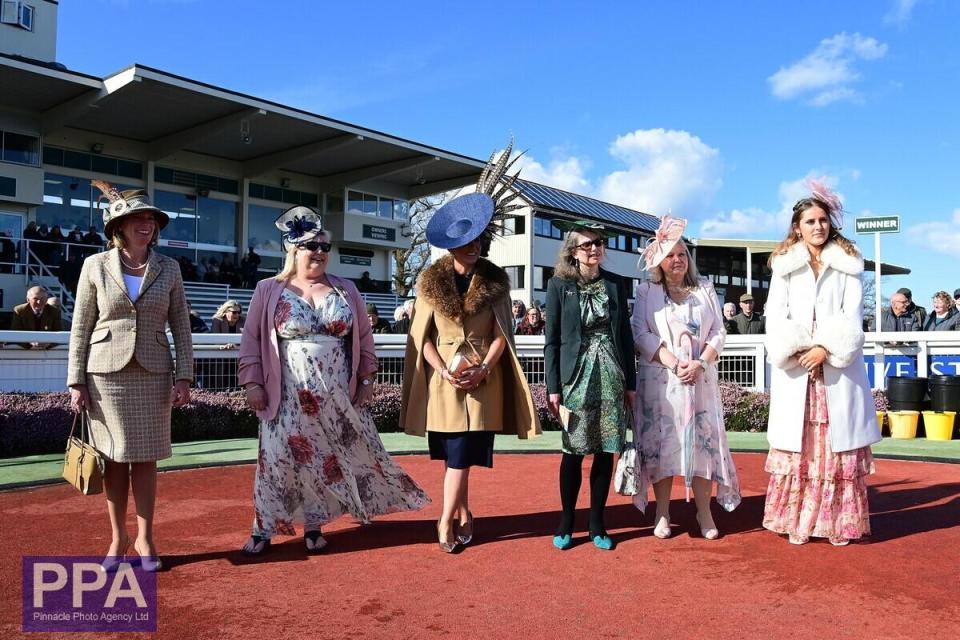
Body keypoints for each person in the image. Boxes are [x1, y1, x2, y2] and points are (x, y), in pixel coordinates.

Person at [238, 206, 428, 556]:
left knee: (323, 459)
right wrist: (252, 383)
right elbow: (251, 341)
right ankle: (263, 527)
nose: (321, 253)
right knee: (277, 457)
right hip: (287, 394)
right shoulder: (268, 290)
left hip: (335, 394)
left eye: (326, 247)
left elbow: (365, 339)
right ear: (293, 250)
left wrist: (367, 380)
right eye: (313, 246)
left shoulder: (346, 290)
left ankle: (313, 525)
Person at [402, 174, 541, 554]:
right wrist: (443, 369)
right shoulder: (429, 281)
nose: (474, 246)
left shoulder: (496, 280)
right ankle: (461, 512)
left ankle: (446, 518)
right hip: (443, 382)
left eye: (477, 239)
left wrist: (484, 368)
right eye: (466, 242)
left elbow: (503, 336)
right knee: (455, 454)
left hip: (484, 381)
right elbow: (422, 338)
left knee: (464, 453)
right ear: (452, 246)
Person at [67, 180, 193, 572]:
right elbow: (81, 325)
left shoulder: (169, 267)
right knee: (113, 459)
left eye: (151, 219)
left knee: (147, 459)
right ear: (117, 226)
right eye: (137, 218)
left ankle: (145, 538)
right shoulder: (94, 265)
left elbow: (182, 326)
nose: (146, 225)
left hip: (155, 373)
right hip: (105, 374)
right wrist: (76, 380)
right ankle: (117, 539)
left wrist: (185, 375)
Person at [762, 179, 879, 546]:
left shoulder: (848, 265)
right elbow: (774, 316)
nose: (818, 226)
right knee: (802, 447)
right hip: (797, 370)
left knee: (834, 446)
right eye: (810, 221)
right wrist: (798, 350)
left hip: (836, 369)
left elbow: (852, 315)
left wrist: (825, 349)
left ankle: (837, 523)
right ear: (797, 226)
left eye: (823, 220)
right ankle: (797, 520)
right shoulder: (784, 267)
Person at [632, 215, 740, 541]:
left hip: (701, 382)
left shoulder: (705, 289)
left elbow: (719, 331)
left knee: (704, 445)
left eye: (681, 254)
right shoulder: (646, 291)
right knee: (663, 446)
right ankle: (662, 511)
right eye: (669, 255)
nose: (677, 260)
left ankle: (704, 511)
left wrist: (701, 363)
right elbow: (639, 332)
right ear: (659, 261)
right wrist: (672, 361)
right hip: (662, 383)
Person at [544, 219, 635, 551]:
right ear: (573, 251)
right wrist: (553, 387)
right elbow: (551, 342)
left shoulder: (615, 283)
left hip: (611, 376)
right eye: (587, 244)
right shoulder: (558, 286)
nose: (595, 248)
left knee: (605, 449)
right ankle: (566, 519)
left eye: (599, 243)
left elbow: (625, 336)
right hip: (576, 378)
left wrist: (632, 384)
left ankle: (598, 522)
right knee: (573, 451)